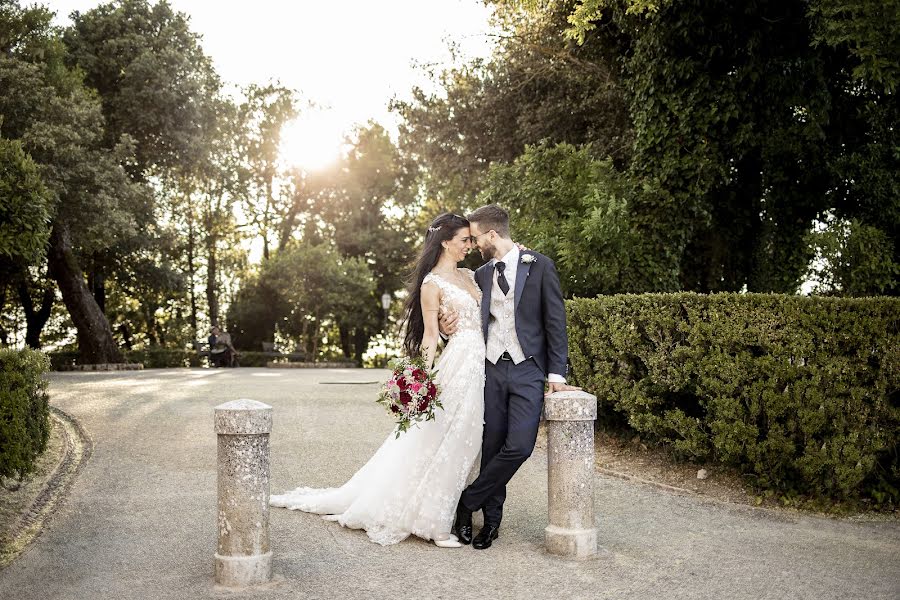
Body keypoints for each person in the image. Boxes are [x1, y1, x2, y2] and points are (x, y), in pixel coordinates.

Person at [270, 213, 484, 548]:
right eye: (464, 240)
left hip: (482, 363)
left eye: (471, 241)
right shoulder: (431, 284)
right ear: (445, 241)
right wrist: (421, 380)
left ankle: (457, 509)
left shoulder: (471, 276)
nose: (469, 246)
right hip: (458, 364)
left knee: (470, 438)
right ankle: (435, 522)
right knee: (448, 438)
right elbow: (430, 337)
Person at [440, 204, 580, 550]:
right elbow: (467, 320)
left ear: (492, 235)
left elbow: (555, 324)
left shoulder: (541, 266)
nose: (472, 244)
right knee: (491, 446)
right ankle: (490, 524)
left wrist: (556, 374)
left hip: (528, 369)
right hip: (489, 368)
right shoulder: (481, 275)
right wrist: (446, 331)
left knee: (519, 446)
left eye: (475, 237)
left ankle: (467, 501)